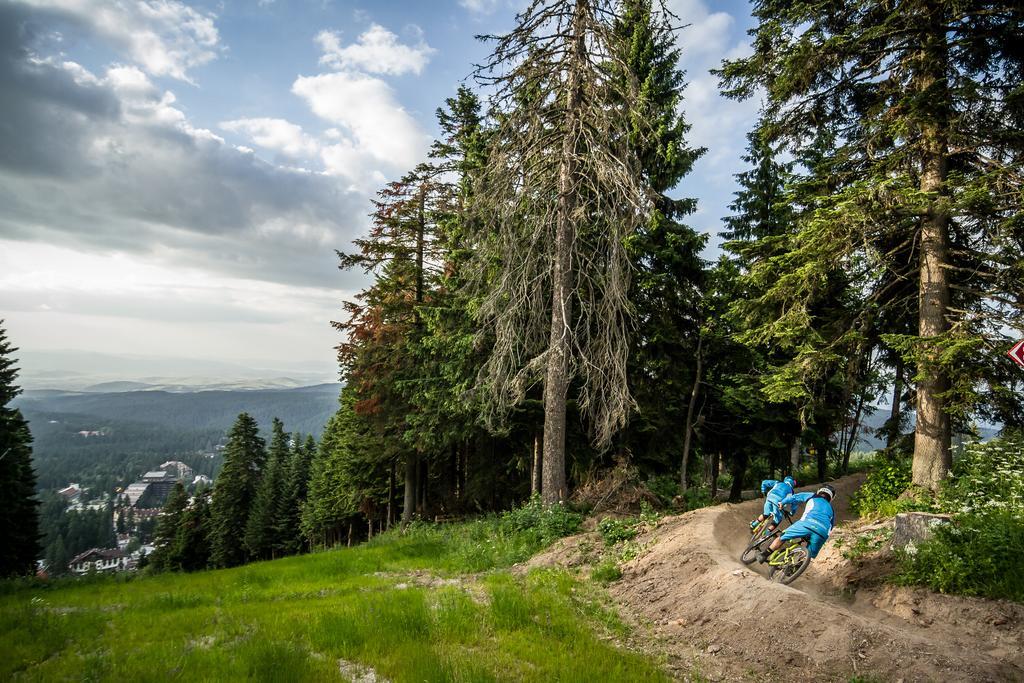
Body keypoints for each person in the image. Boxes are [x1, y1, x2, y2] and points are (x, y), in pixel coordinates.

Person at [758, 484, 836, 563]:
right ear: (831, 498)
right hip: (822, 533)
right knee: (809, 555)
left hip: (806, 524)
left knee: (782, 536)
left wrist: (782, 502)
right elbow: (831, 527)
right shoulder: (832, 510)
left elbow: (794, 497)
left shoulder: (813, 496)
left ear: (819, 491)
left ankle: (764, 555)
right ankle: (796, 567)